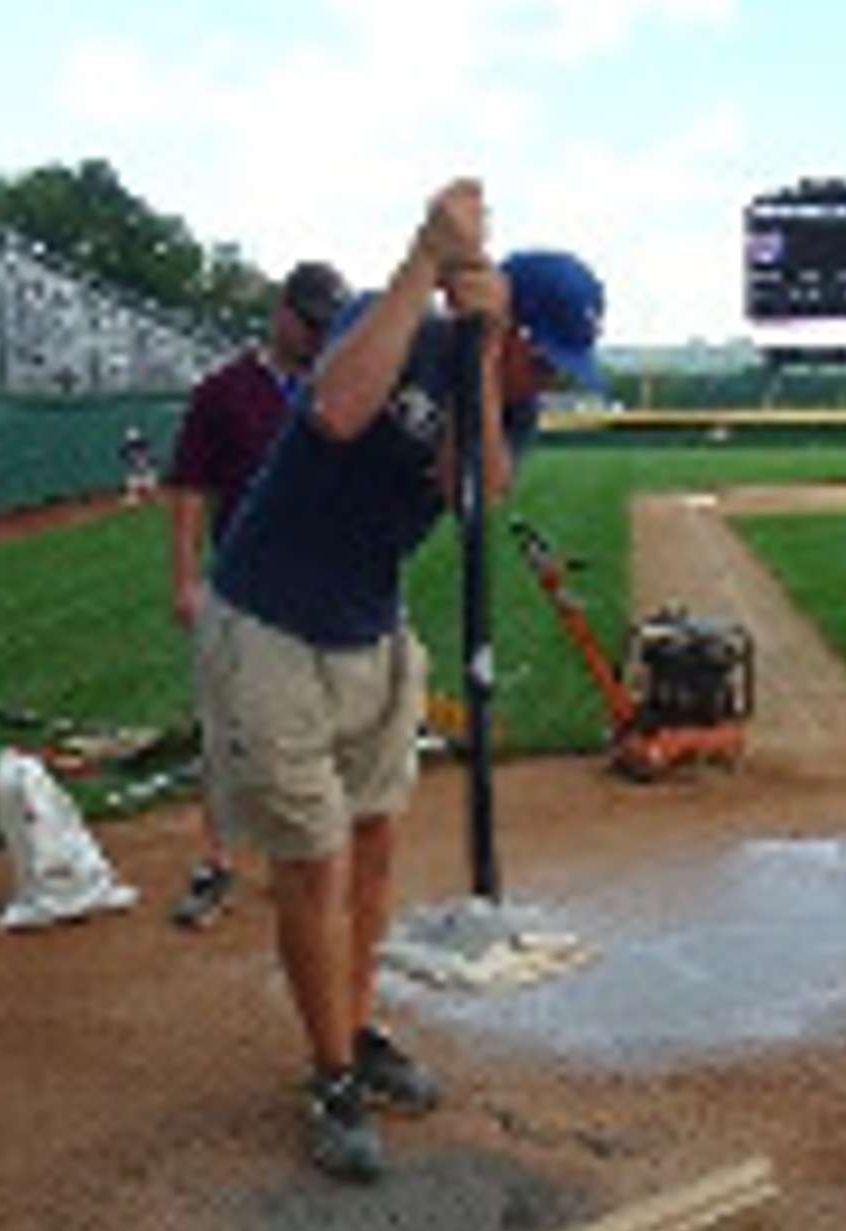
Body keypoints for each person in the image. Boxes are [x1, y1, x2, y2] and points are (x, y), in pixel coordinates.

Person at [195, 178, 605, 1180]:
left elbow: (472, 490)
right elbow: (334, 409)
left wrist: (482, 366)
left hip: (371, 631)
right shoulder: (398, 331)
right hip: (269, 622)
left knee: (374, 846)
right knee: (315, 860)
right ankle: (330, 1072)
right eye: (544, 364)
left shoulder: (499, 391)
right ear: (511, 326)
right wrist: (426, 261)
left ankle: (357, 1022)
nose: (546, 388)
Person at [164, 260, 350, 928]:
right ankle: (217, 860)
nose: (318, 337)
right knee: (226, 731)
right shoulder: (223, 392)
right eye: (309, 323)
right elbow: (190, 487)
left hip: (324, 588)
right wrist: (185, 578)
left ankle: (304, 861)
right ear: (281, 313)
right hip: (240, 589)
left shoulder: (338, 387)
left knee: (320, 729)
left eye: (328, 326)